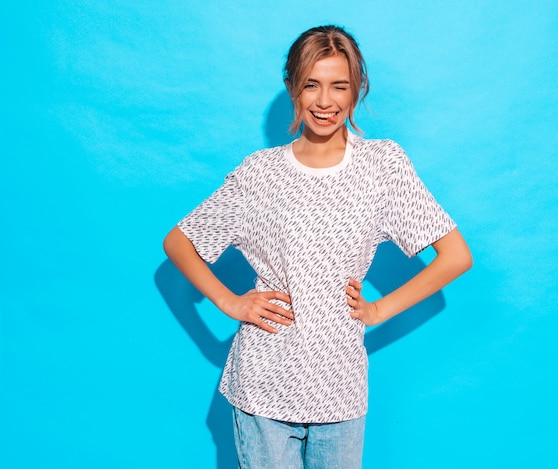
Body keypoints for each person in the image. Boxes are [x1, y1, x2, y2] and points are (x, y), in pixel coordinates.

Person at [164, 25, 472, 469]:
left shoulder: (382, 165)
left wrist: (379, 310)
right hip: (264, 383)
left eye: (339, 86)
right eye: (311, 84)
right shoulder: (260, 173)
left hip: (339, 386)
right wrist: (230, 302)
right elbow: (179, 242)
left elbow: (456, 256)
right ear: (293, 87)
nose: (325, 101)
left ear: (356, 90)